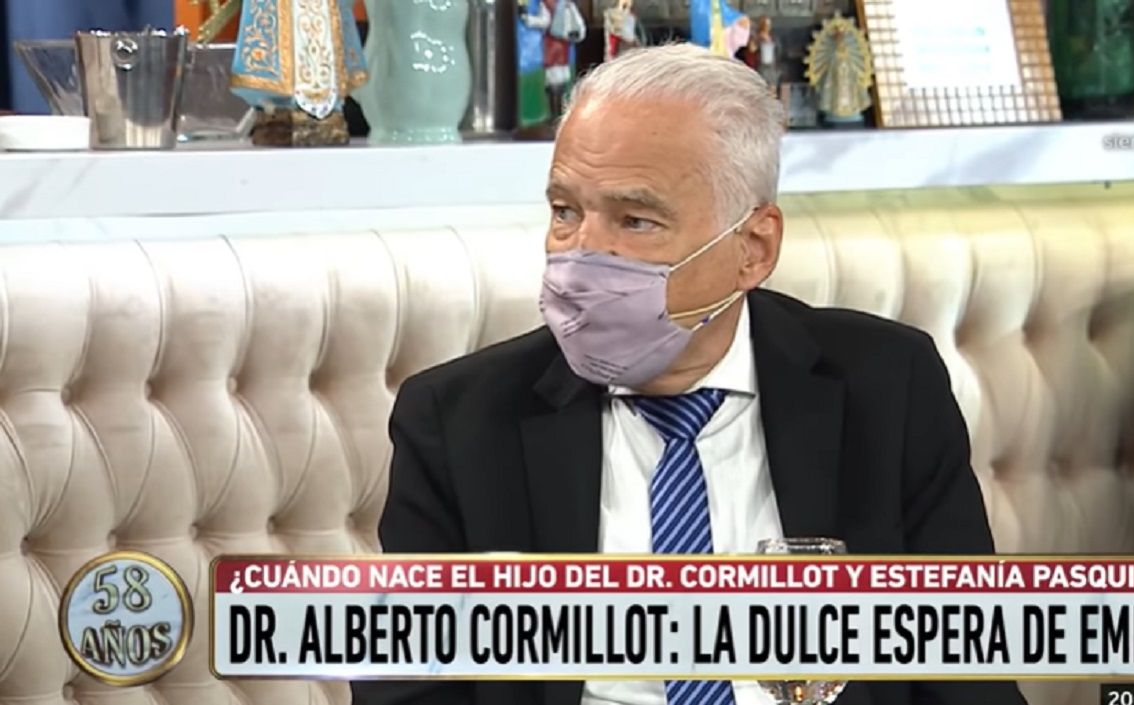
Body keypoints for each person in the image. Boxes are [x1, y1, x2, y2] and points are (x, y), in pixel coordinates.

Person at [351, 43, 1028, 705]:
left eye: (636, 220)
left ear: (752, 248)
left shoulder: (888, 386)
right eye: (565, 212)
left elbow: (968, 669)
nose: (582, 254)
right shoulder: (458, 420)